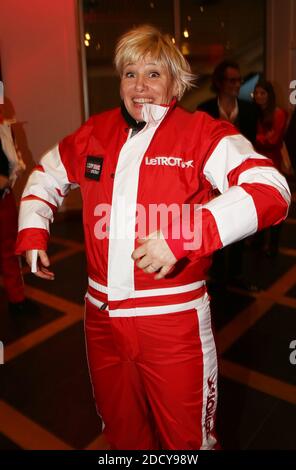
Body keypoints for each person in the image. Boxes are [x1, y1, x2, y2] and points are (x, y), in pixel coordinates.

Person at [15, 25, 290, 450]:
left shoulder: (201, 133)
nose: (140, 86)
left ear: (175, 83)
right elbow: (45, 176)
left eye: (153, 74)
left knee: (189, 442)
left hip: (173, 324)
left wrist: (185, 234)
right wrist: (33, 228)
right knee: (122, 435)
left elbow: (272, 189)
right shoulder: (95, 132)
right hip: (100, 320)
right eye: (130, 74)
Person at [197, 60, 260, 291]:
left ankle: (234, 274)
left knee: (238, 226)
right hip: (212, 180)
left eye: (239, 80)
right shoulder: (204, 110)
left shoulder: (251, 110)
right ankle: (213, 273)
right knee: (213, 224)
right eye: (232, 80)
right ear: (219, 83)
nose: (237, 84)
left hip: (240, 179)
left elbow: (252, 147)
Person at [253, 79, 288, 256]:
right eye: (256, 93)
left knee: (275, 204)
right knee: (257, 204)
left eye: (262, 93)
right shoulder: (252, 113)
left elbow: (271, 141)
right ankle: (258, 242)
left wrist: (257, 138)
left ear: (269, 95)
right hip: (254, 166)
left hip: (272, 165)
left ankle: (273, 245)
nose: (259, 96)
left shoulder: (278, 113)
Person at [0, 106, 27, 313]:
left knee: (10, 250)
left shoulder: (5, 127)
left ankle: (17, 299)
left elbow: (14, 162)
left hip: (4, 198)